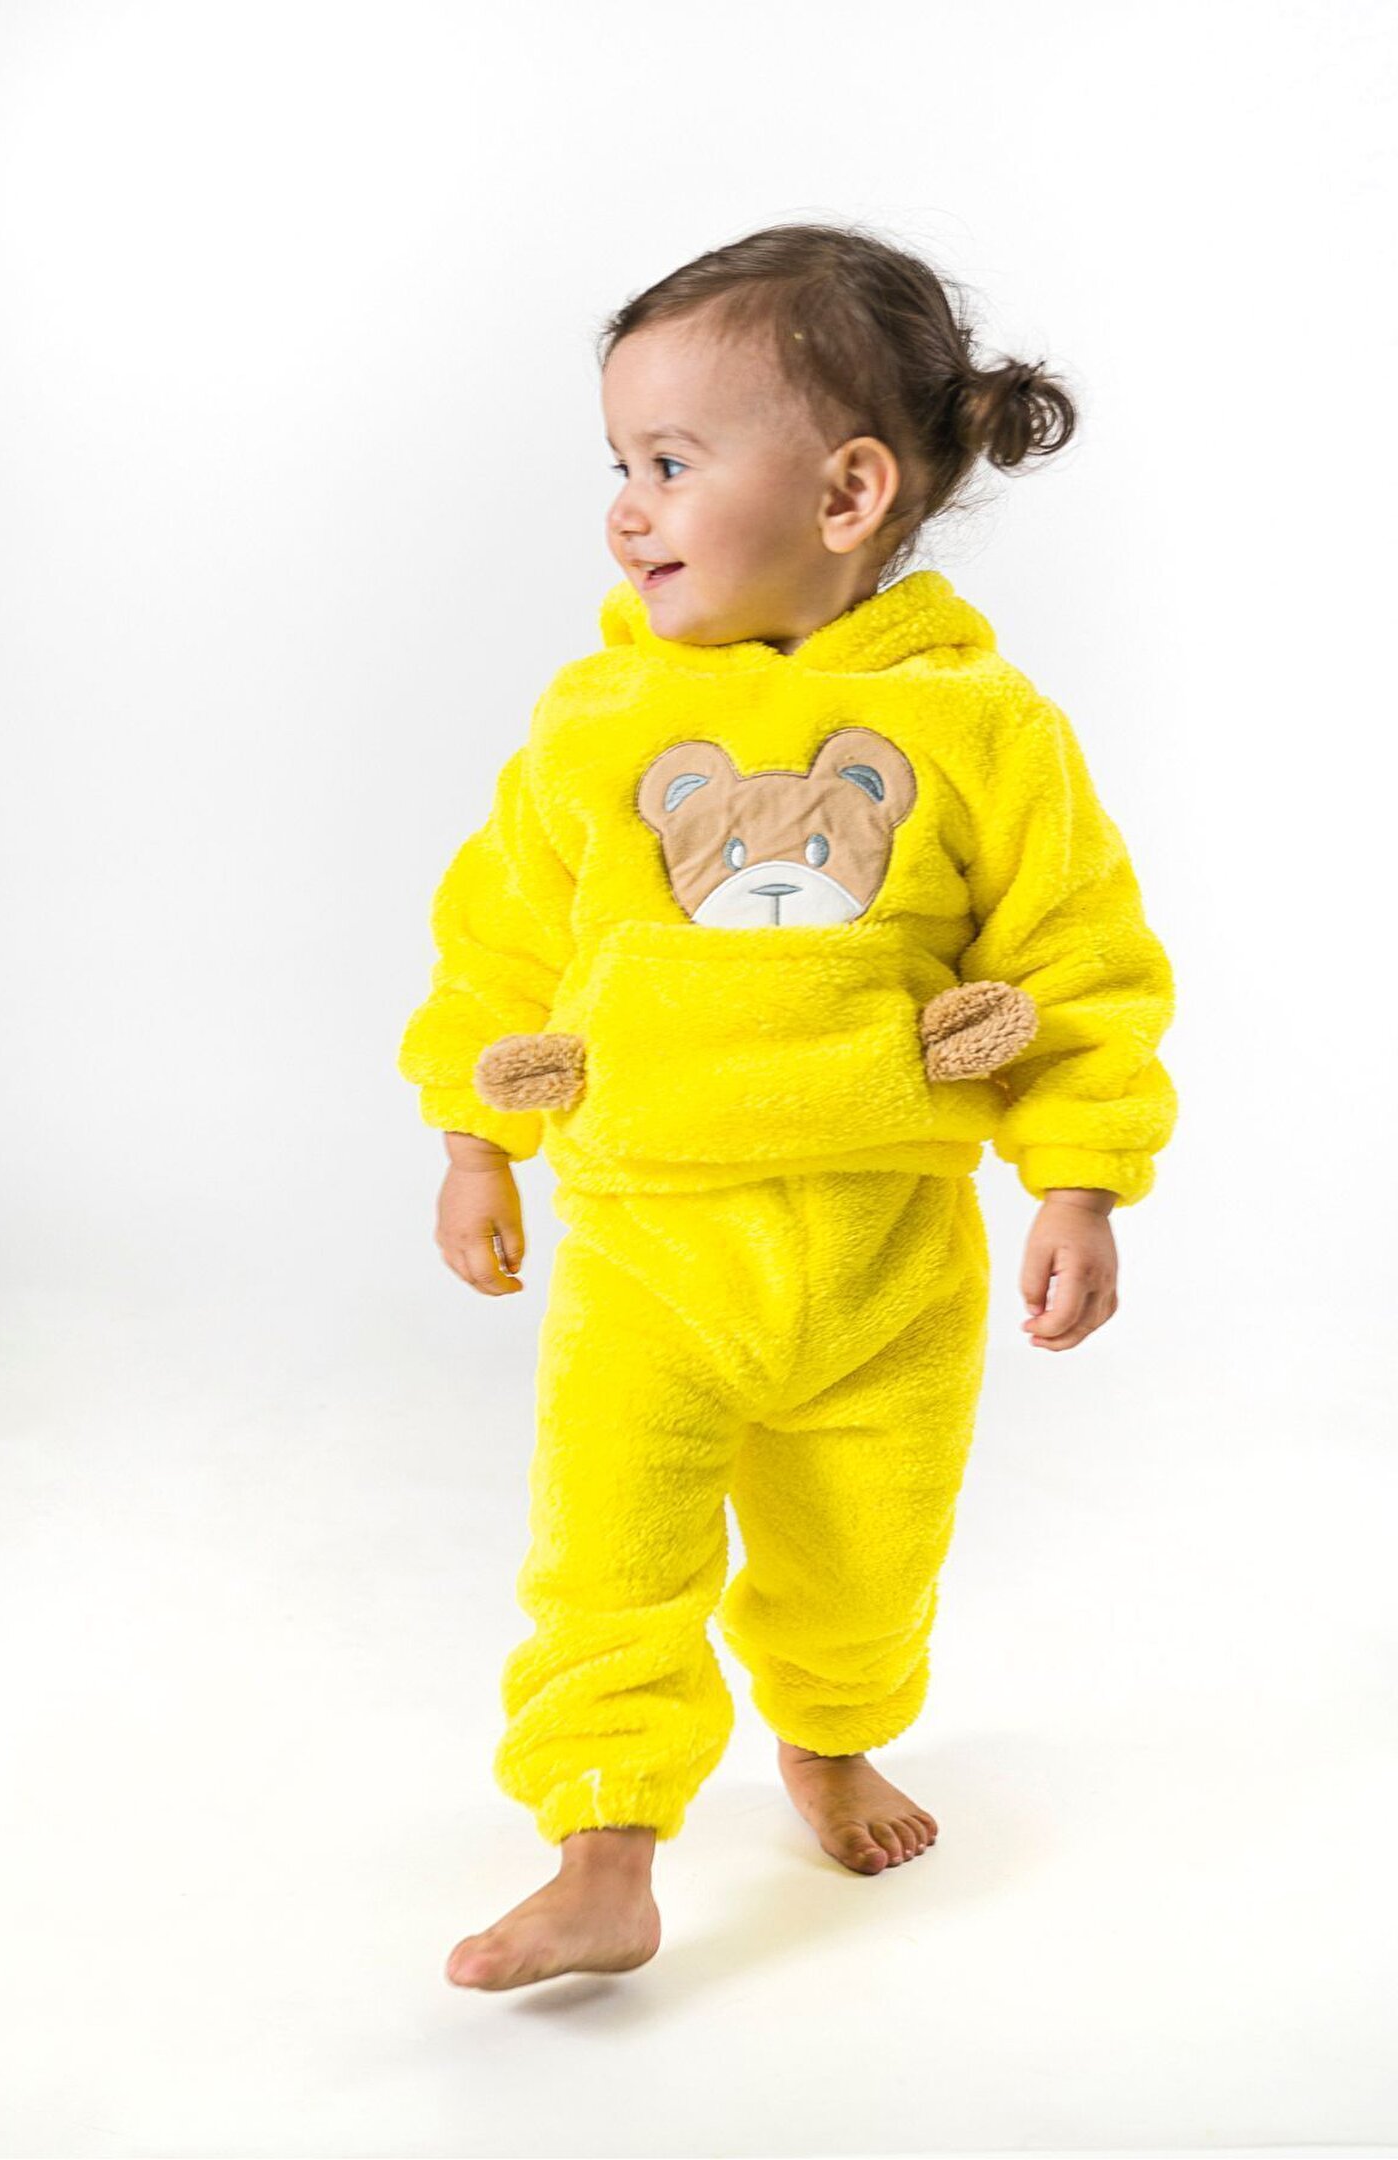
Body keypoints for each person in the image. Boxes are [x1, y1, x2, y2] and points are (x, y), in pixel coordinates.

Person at [396, 220, 1178, 1992]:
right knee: (610, 1555)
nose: (627, 510)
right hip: (651, 1243)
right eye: (619, 465)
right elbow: (500, 940)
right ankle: (605, 1846)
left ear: (847, 493)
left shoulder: (982, 727)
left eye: (670, 464)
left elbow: (1075, 958)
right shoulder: (601, 722)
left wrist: (1079, 1181)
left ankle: (830, 1737)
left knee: (865, 1551)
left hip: (888, 1250)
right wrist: (471, 1136)